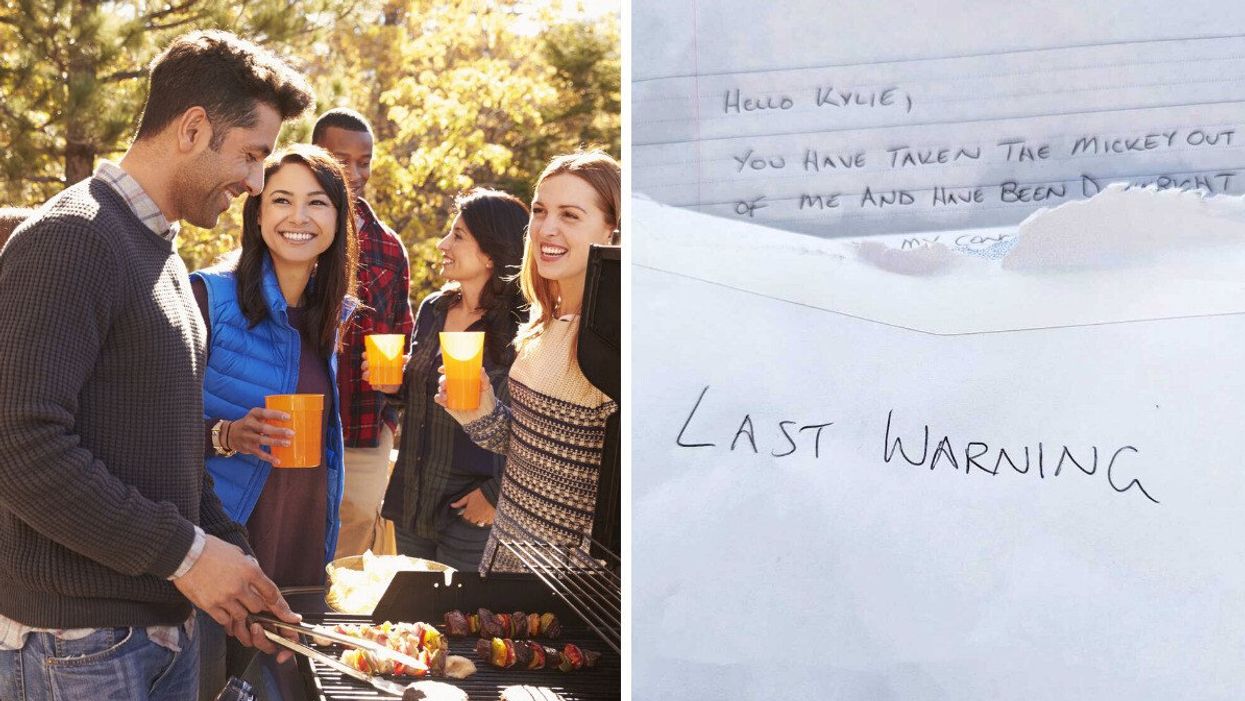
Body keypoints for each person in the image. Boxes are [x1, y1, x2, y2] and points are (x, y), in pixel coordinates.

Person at [0, 30, 312, 700]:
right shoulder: (73, 237)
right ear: (195, 128)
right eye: (253, 155)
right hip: (75, 649)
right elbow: (19, 447)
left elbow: (171, 456)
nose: (256, 183)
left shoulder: (165, 260)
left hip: (159, 634)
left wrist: (238, 572)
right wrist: (188, 555)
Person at [191, 144, 358, 694]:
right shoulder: (207, 298)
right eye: (281, 199)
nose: (299, 217)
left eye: (317, 203)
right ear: (256, 213)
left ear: (339, 218)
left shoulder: (329, 316)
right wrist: (228, 434)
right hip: (224, 557)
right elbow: (142, 429)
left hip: (301, 553)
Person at [440, 152, 621, 572]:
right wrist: (478, 412)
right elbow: (533, 450)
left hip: (566, 585)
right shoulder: (546, 319)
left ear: (614, 233)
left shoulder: (618, 337)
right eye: (540, 211)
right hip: (505, 560)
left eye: (570, 215)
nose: (546, 228)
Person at [377, 188, 528, 571]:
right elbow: (423, 399)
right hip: (414, 499)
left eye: (458, 236)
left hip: (471, 509)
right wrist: (395, 388)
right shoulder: (433, 308)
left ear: (492, 253)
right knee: (413, 623)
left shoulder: (523, 328)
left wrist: (495, 495)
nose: (443, 243)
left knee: (463, 621)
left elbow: (535, 426)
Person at [311, 108, 415, 559]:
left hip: (365, 427)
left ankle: (336, 626)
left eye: (364, 161)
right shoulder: (291, 231)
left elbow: (402, 337)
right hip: (294, 421)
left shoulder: (388, 247)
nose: (355, 173)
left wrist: (396, 391)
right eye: (341, 160)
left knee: (350, 550)